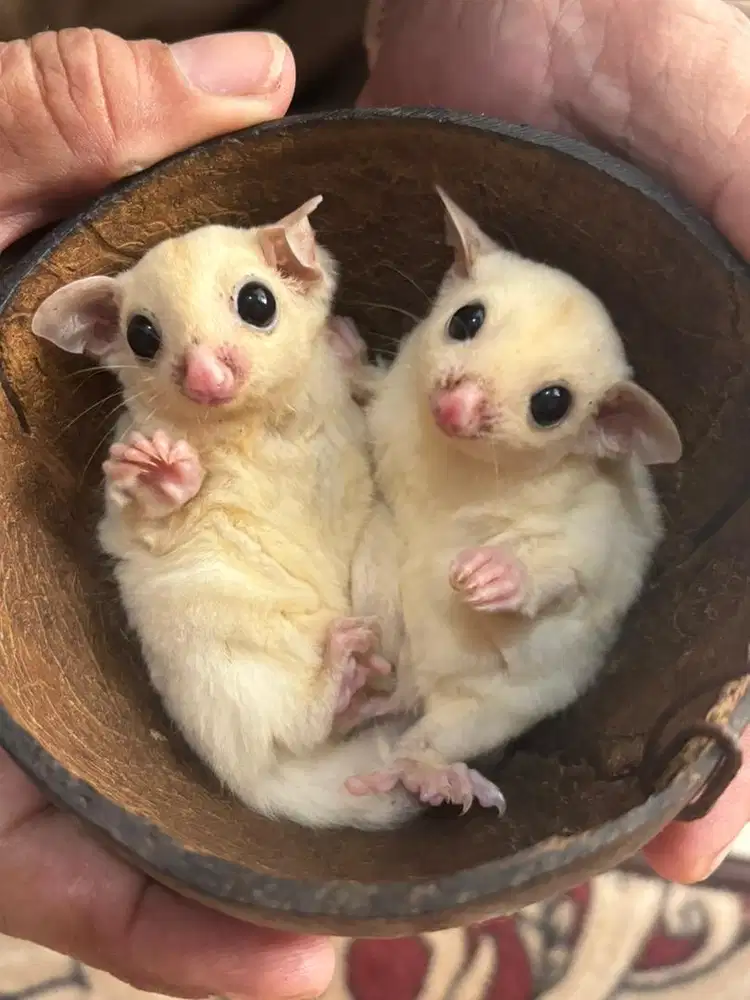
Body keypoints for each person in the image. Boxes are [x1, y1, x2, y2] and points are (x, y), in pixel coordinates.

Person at [0, 0, 746, 995]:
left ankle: (369, 710)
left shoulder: (364, 381)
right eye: (145, 341)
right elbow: (187, 541)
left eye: (251, 309)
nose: (206, 376)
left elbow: (377, 482)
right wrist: (163, 490)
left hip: (364, 616)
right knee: (209, 610)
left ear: (301, 271)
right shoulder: (196, 413)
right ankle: (327, 710)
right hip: (278, 647)